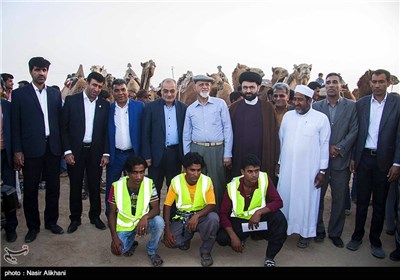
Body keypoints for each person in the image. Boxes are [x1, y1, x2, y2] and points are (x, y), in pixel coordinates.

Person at [346, 69, 400, 259]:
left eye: (381, 82)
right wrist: (353, 157)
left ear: (388, 83)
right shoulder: (360, 104)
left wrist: (397, 163)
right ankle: (357, 236)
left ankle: (375, 241)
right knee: (361, 201)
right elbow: (355, 133)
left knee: (379, 203)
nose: (377, 85)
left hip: (385, 161)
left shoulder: (397, 104)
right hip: (364, 159)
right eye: (374, 82)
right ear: (370, 84)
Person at [11, 57, 64, 243]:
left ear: (47, 72)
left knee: (54, 188)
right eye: (37, 70)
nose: (41, 73)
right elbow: (15, 125)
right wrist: (17, 150)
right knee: (31, 190)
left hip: (53, 148)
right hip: (31, 150)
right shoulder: (19, 95)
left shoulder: (55, 94)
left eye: (44, 70)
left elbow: (59, 121)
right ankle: (33, 227)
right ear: (30, 71)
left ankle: (51, 222)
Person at [277, 84, 330, 248]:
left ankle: (305, 233)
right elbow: (282, 141)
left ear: (310, 100)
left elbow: (324, 145)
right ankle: (282, 230)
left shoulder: (321, 119)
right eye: (295, 99)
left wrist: (322, 170)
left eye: (300, 100)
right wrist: (279, 163)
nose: (296, 103)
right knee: (285, 198)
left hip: (309, 170)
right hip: (287, 168)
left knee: (306, 201)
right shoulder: (288, 116)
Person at [313, 72, 358, 248]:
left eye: (334, 82)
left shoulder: (351, 106)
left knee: (339, 199)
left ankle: (335, 233)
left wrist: (339, 147)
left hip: (341, 160)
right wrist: (325, 149)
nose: (331, 85)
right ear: (325, 86)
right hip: (320, 162)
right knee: (318, 196)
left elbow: (354, 130)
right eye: (328, 82)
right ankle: (318, 229)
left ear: (341, 86)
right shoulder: (316, 107)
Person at [216, 154, 287, 267]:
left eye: (257, 171)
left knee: (279, 220)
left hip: (258, 220)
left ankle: (270, 258)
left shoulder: (264, 178)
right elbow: (223, 214)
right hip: (240, 221)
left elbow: (278, 202)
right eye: (250, 171)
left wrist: (259, 213)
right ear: (242, 172)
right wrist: (233, 236)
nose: (254, 175)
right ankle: (242, 237)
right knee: (222, 238)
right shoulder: (232, 186)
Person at [61, 71, 110, 234]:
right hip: (76, 151)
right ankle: (75, 218)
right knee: (75, 185)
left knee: (95, 185)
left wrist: (105, 153)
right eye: (94, 85)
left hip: (95, 152)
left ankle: (95, 216)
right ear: (87, 83)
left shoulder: (104, 105)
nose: (96, 89)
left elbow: (106, 132)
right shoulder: (71, 101)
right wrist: (67, 151)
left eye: (100, 87)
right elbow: (64, 128)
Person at [183, 74, 233, 209]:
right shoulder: (191, 109)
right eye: (201, 84)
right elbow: (186, 134)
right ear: (195, 88)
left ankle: (218, 217)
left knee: (217, 184)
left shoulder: (220, 104)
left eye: (207, 84)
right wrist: (187, 157)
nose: (205, 87)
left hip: (217, 149)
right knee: (197, 183)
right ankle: (199, 216)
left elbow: (227, 128)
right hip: (197, 149)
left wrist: (227, 153)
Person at [163, 152, 219, 267]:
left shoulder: (207, 181)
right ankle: (187, 236)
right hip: (182, 217)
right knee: (171, 243)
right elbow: (167, 205)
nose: (196, 174)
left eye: (199, 170)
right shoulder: (176, 181)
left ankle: (205, 252)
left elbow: (211, 204)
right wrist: (167, 230)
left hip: (201, 217)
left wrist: (197, 216)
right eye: (192, 170)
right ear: (184, 169)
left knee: (213, 218)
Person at [108, 156, 165, 266]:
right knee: (118, 251)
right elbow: (111, 213)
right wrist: (114, 238)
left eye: (142, 172)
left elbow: (156, 209)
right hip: (125, 226)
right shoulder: (116, 186)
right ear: (127, 173)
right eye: (135, 173)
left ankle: (152, 251)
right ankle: (131, 243)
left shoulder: (149, 183)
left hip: (144, 223)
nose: (139, 177)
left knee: (159, 222)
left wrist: (145, 217)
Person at [229, 71, 280, 184]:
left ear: (258, 87)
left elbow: (274, 136)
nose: (248, 91)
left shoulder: (268, 109)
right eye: (245, 87)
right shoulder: (234, 108)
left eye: (252, 87)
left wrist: (276, 160)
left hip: (262, 156)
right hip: (239, 157)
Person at [142, 78, 187, 198]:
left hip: (175, 155)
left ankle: (171, 216)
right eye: (165, 91)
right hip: (156, 156)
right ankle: (153, 216)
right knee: (153, 189)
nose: (169, 94)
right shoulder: (151, 107)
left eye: (172, 91)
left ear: (177, 91)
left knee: (174, 189)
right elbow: (145, 133)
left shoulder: (183, 109)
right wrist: (147, 156)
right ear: (161, 91)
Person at [105, 79, 144, 217]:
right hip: (115, 154)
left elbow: (144, 132)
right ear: (112, 92)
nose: (120, 93)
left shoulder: (139, 107)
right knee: (112, 186)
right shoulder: (108, 110)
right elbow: (104, 133)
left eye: (123, 90)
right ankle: (111, 215)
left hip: (133, 155)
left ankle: (133, 214)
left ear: (128, 91)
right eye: (117, 90)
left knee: (134, 186)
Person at [1, 81, 18, 242]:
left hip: (5, 154)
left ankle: (11, 227)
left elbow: (15, 130)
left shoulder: (7, 107)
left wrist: (16, 152)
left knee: (9, 191)